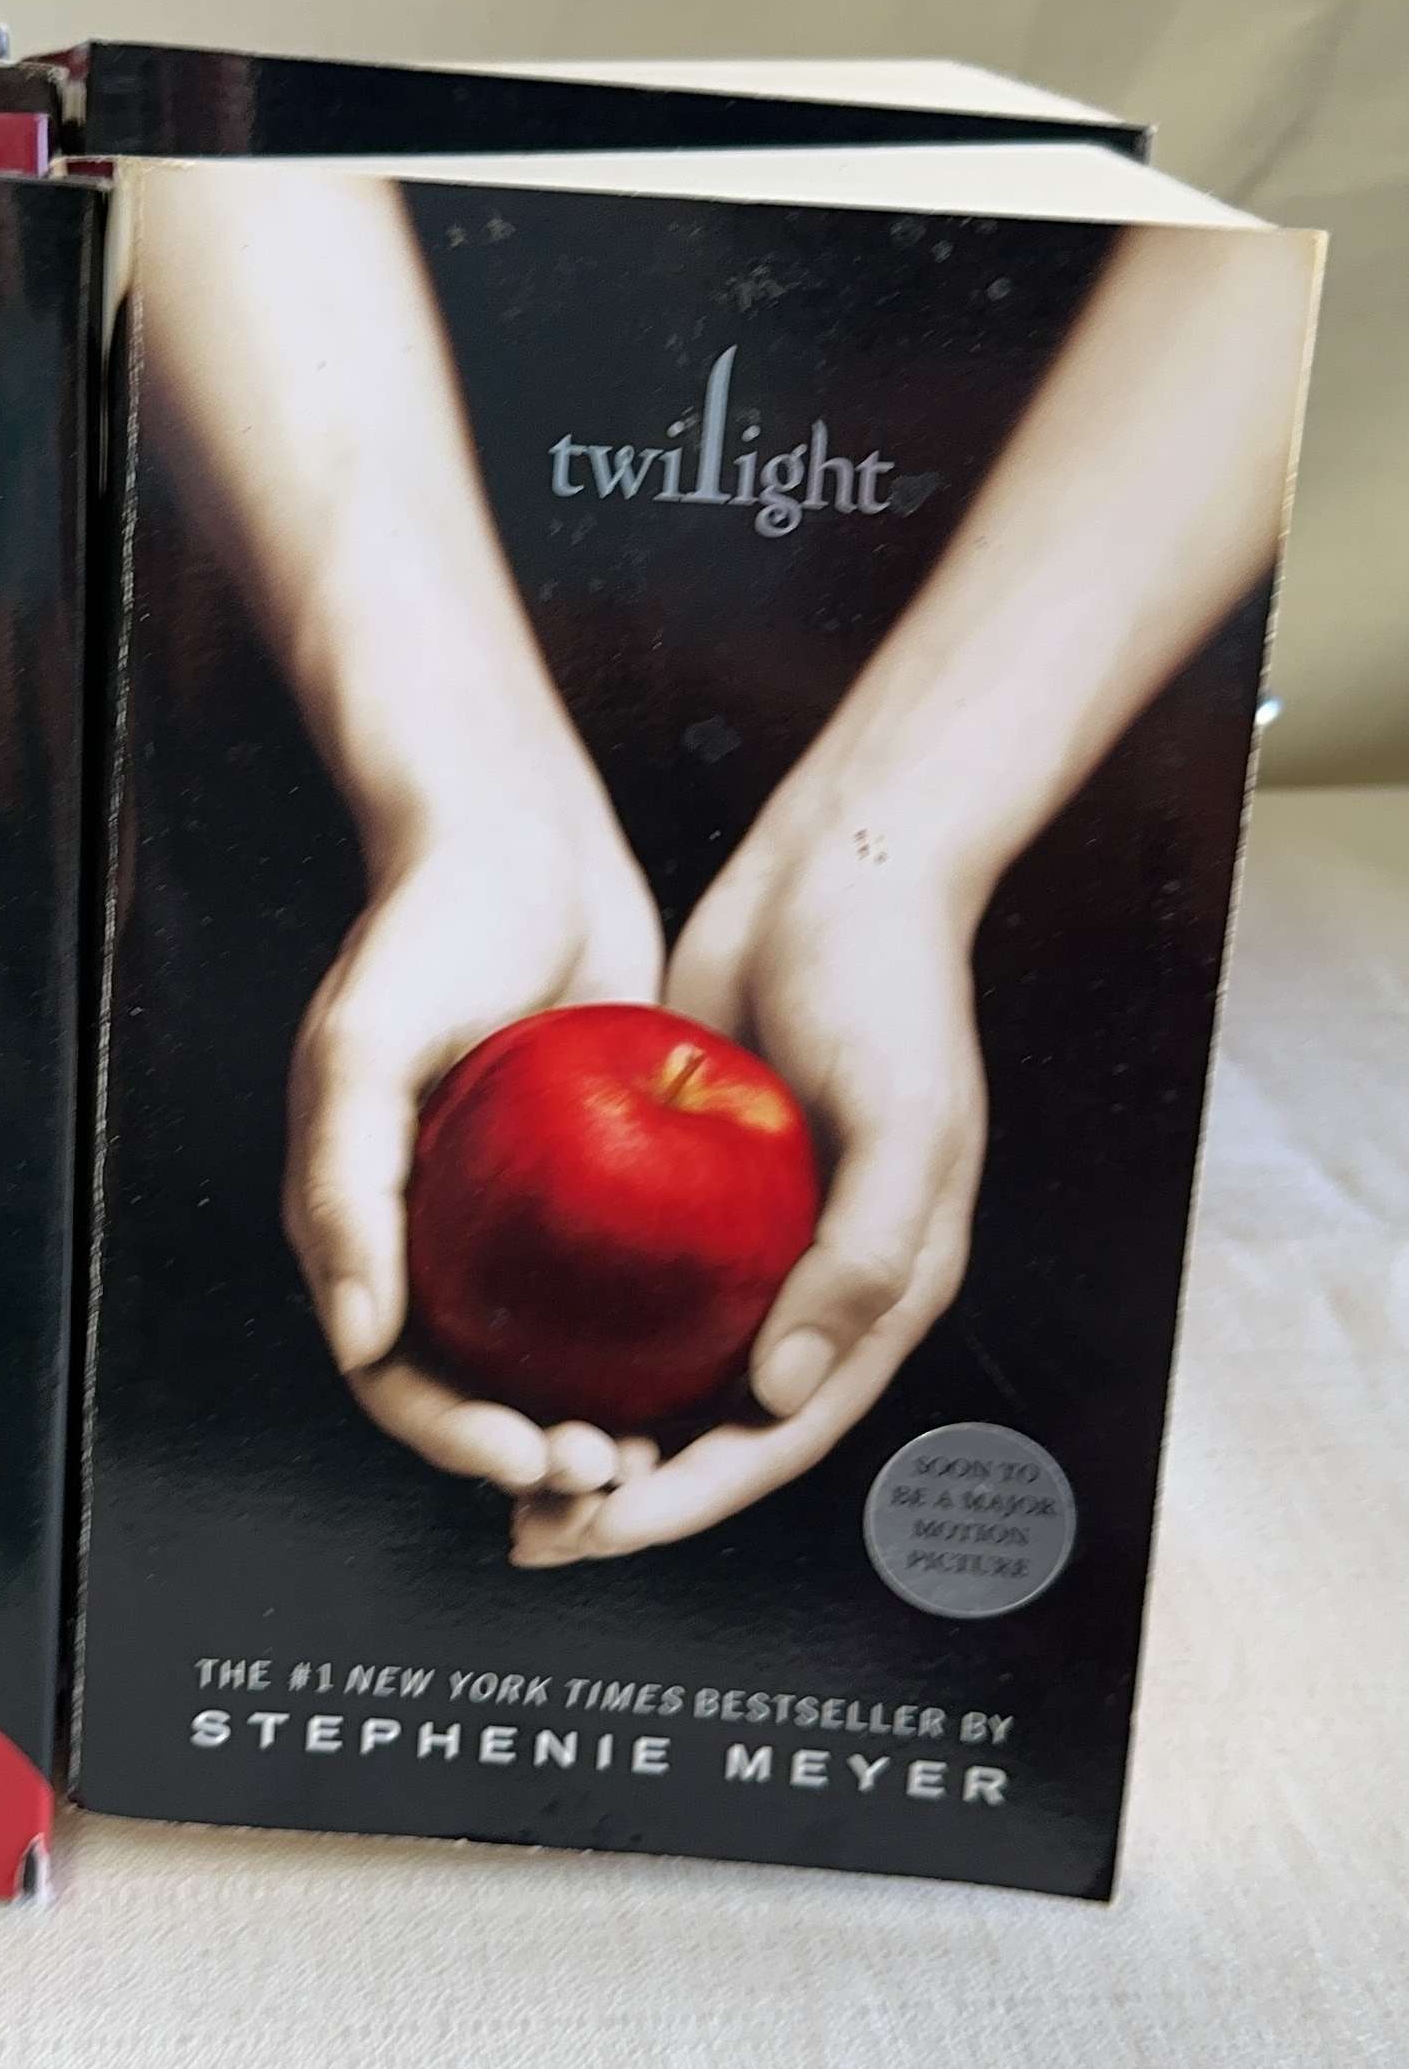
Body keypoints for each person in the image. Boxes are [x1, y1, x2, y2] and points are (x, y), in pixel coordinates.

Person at [134, 164, 1315, 1565]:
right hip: (321, 604)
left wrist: (896, 849)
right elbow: (215, 156)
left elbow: (1264, 259)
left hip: (1027, 747)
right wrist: (457, 782)